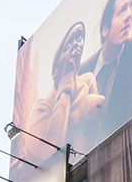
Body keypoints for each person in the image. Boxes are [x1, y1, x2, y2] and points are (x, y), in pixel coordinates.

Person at [22, 22, 105, 163]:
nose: (76, 45)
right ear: (56, 65)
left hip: (90, 164)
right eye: (69, 43)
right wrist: (65, 86)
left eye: (79, 39)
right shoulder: (39, 109)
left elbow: (98, 114)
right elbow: (49, 149)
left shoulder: (87, 82)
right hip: (57, 173)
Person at [80, 0, 132, 136]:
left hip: (131, 143)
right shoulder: (83, 70)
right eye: (122, 10)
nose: (129, 15)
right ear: (105, 30)